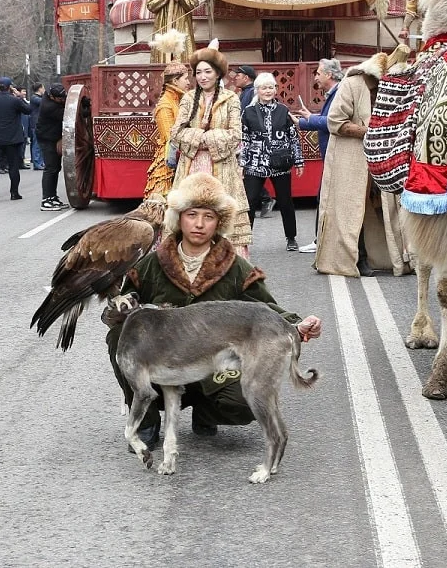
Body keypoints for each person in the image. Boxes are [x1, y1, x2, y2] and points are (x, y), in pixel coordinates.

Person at [103, 172, 322, 446]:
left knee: (243, 402)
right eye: (192, 214)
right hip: (163, 363)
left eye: (208, 217)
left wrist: (296, 325)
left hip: (211, 366)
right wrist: (117, 312)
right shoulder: (151, 264)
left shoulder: (235, 266)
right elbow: (119, 307)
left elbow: (264, 308)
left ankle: (206, 411)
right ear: (179, 218)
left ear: (219, 222)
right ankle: (146, 421)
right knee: (120, 337)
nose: (199, 224)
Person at [315, 48, 411, 278]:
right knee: (352, 209)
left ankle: (401, 257)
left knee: (388, 207)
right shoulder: (352, 84)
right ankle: (358, 258)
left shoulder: (394, 88)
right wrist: (371, 133)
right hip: (351, 159)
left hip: (383, 157)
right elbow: (335, 121)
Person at [169, 40, 253, 255]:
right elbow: (176, 133)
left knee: (221, 214)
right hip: (191, 167)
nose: (203, 77)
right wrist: (204, 137)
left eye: (207, 71)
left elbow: (236, 135)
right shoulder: (188, 98)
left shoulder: (231, 98)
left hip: (222, 168)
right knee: (190, 214)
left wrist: (202, 138)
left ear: (217, 74)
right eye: (198, 73)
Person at [240, 72, 304, 251]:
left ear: (275, 90)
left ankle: (291, 238)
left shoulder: (283, 110)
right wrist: (241, 164)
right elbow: (243, 140)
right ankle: (245, 239)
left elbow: (293, 137)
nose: (268, 91)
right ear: (257, 90)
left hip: (280, 163)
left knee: (285, 201)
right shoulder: (248, 112)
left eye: (271, 87)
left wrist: (298, 161)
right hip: (255, 162)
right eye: (264, 88)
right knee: (250, 201)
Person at [295, 58, 343, 253]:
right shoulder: (332, 93)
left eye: (318, 73)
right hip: (330, 153)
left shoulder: (339, 93)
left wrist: (310, 119)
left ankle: (320, 241)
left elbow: (333, 123)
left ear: (329, 75)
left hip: (336, 153)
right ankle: (323, 239)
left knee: (324, 197)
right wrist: (303, 122)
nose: (316, 77)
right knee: (324, 197)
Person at [143, 63, 190, 202]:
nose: (188, 82)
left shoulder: (178, 100)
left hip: (181, 154)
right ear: (175, 81)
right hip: (169, 161)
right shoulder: (165, 105)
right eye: (185, 78)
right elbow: (170, 138)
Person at [0, 76, 31, 203]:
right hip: (13, 139)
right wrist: (19, 96)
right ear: (10, 87)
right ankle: (14, 192)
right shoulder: (14, 101)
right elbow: (28, 110)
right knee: (13, 166)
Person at [36, 85, 67, 210]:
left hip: (52, 136)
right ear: (52, 97)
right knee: (50, 168)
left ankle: (53, 197)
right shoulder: (49, 107)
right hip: (47, 138)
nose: (63, 100)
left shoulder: (50, 98)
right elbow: (67, 114)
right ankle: (46, 200)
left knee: (55, 168)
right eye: (60, 99)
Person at [28, 83, 45, 170]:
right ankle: (37, 162)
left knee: (41, 144)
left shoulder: (38, 98)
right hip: (36, 123)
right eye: (43, 88)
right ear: (39, 89)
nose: (44, 90)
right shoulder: (35, 98)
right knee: (37, 144)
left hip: (40, 123)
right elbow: (43, 103)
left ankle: (41, 162)